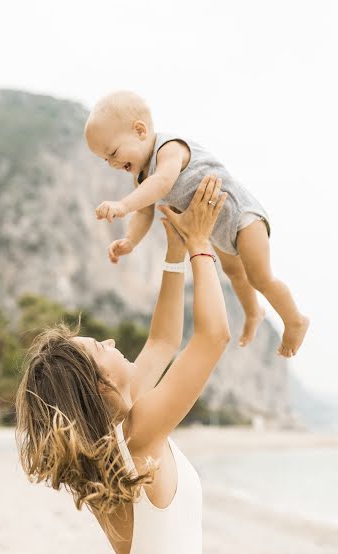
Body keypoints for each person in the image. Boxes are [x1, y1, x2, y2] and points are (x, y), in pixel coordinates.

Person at [15, 174, 229, 554]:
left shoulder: (113, 442)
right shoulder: (139, 437)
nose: (112, 342)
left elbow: (163, 341)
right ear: (102, 385)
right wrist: (201, 245)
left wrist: (174, 252)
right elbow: (213, 336)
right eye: (100, 346)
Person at [84, 90, 309, 357]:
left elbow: (163, 183)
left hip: (242, 216)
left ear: (140, 130)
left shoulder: (169, 149)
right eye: (105, 159)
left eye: (113, 152)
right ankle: (252, 311)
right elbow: (144, 214)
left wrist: (122, 205)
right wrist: (131, 241)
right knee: (235, 273)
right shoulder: (141, 180)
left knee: (260, 277)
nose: (111, 163)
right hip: (218, 229)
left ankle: (295, 320)